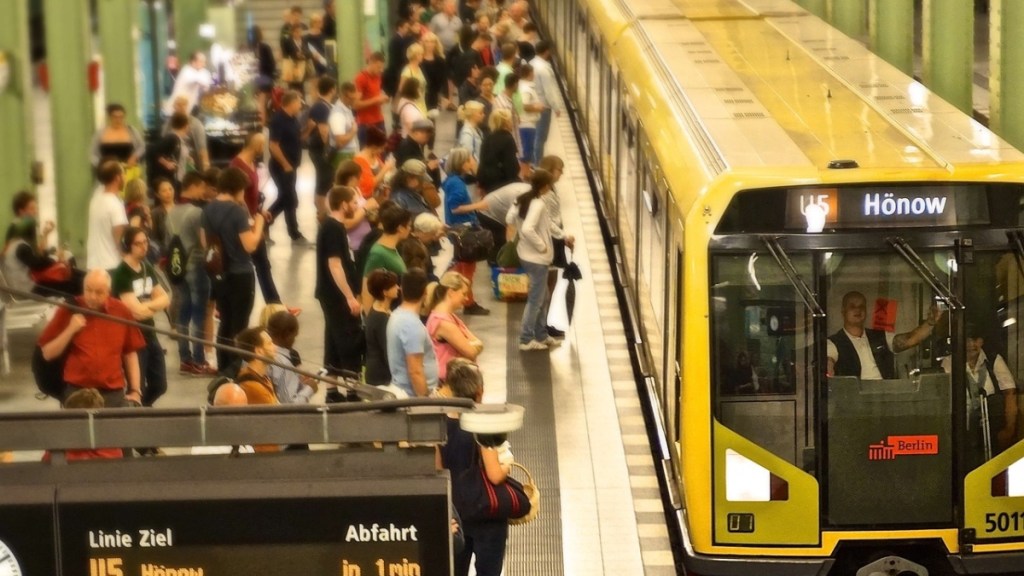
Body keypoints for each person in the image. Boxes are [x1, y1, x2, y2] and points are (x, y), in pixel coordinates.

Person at [439, 359, 510, 576]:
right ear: (479, 392)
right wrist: (506, 465)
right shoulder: (483, 425)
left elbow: (437, 473)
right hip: (486, 516)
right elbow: (495, 475)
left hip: (455, 516)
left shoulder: (437, 424)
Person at [39, 269, 145, 408]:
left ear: (108, 292)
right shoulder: (68, 309)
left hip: (113, 393)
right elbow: (47, 353)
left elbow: (130, 353)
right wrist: (70, 330)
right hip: (77, 393)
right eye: (88, 290)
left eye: (99, 292)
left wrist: (136, 391)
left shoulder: (121, 311)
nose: (92, 297)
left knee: (115, 430)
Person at [203, 167, 267, 373]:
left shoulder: (208, 209)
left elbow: (204, 241)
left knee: (225, 321)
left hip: (219, 274)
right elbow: (249, 245)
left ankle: (223, 368)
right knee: (240, 325)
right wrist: (259, 224)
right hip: (241, 273)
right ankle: (235, 368)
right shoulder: (238, 211)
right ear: (236, 188)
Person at [111, 227, 170, 407]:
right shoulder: (122, 274)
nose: (144, 247)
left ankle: (143, 408)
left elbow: (165, 298)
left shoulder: (147, 267)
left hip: (150, 334)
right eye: (138, 243)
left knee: (160, 385)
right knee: (136, 386)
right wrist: (153, 305)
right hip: (132, 338)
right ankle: (137, 414)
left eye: (145, 242)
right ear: (128, 246)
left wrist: (147, 307)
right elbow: (135, 313)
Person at [317, 186, 365, 401]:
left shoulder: (332, 226)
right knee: (349, 339)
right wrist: (350, 296)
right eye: (354, 202)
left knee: (334, 341)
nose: (356, 206)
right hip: (337, 295)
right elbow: (335, 265)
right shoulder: (334, 228)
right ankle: (352, 390)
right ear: (344, 204)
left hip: (329, 294)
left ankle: (332, 390)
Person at [826, 291, 941, 380]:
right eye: (852, 306)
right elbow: (828, 361)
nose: (858, 310)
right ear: (843, 311)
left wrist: (930, 323)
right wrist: (828, 366)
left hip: (884, 397)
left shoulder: (881, 337)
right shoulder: (833, 343)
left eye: (862, 306)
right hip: (854, 402)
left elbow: (910, 340)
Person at [942, 324, 1019, 455]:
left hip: (992, 429)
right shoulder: (948, 363)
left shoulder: (994, 360)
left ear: (982, 341)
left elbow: (1010, 393)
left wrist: (1009, 429)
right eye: (967, 340)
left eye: (976, 339)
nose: (971, 344)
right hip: (961, 432)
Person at [167, 172, 216, 376]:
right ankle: (198, 360)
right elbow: (205, 242)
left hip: (176, 266)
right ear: (194, 186)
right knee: (199, 314)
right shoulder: (197, 213)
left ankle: (184, 359)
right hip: (195, 266)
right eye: (201, 187)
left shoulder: (171, 212)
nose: (203, 191)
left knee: (183, 313)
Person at [508, 169, 560, 350]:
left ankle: (541, 334)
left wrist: (562, 235)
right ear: (545, 186)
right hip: (537, 258)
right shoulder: (538, 203)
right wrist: (541, 245)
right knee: (536, 300)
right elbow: (528, 229)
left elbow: (509, 218)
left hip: (525, 254)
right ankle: (526, 339)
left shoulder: (521, 198)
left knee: (543, 296)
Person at [2, 193, 82, 297]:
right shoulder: (16, 232)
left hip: (33, 277)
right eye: (32, 208)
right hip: (28, 286)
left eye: (36, 208)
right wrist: (55, 258)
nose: (36, 212)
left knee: (76, 275)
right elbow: (37, 264)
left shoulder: (24, 227)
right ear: (21, 211)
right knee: (77, 284)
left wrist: (45, 235)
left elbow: (36, 254)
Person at [444, 148, 489, 315]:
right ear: (462, 163)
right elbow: (455, 208)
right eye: (470, 160)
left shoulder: (452, 180)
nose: (472, 162)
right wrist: (479, 206)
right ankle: (467, 301)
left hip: (458, 229)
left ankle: (464, 298)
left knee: (460, 266)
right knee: (467, 268)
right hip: (464, 230)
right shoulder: (456, 183)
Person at [387, 267, 439, 397]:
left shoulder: (396, 315)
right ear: (425, 292)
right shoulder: (411, 325)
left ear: (402, 290)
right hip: (414, 398)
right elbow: (415, 371)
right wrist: (425, 402)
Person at [268, 90, 309, 244]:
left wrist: (309, 129)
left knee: (288, 199)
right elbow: (273, 145)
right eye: (299, 101)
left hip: (291, 167)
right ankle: (268, 223)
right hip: (281, 167)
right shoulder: (278, 119)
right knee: (288, 198)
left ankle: (292, 232)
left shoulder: (293, 119)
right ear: (291, 103)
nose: (301, 105)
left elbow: (298, 139)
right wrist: (285, 164)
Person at [427, 272, 484, 381]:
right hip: (449, 382)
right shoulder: (443, 323)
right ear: (451, 292)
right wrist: (473, 345)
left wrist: (474, 345)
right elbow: (471, 352)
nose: (466, 298)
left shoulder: (450, 317)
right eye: (463, 294)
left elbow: (477, 344)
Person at [234, 326, 282, 452]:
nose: (275, 347)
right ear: (259, 351)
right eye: (270, 343)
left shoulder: (262, 378)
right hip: (265, 454)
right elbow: (275, 423)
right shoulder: (253, 387)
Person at [361, 203, 412, 310]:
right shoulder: (378, 253)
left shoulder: (392, 247)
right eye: (408, 225)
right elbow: (367, 288)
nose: (410, 229)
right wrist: (370, 318)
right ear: (400, 228)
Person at [265, 310, 318, 404]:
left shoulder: (258, 352)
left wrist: (298, 380)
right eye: (294, 336)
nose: (294, 341)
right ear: (288, 336)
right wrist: (310, 388)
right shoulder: (283, 364)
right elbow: (291, 405)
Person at [87, 160, 128, 271]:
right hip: (111, 265)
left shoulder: (96, 198)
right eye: (123, 173)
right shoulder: (115, 204)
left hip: (93, 265)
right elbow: (119, 239)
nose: (125, 177)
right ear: (117, 178)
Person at [308, 76, 338, 220]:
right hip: (320, 150)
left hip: (319, 150)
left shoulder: (324, 105)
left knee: (324, 179)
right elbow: (324, 131)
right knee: (324, 181)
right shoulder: (321, 106)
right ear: (332, 90)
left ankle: (321, 211)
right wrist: (330, 149)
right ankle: (322, 213)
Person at [365, 269, 400, 386]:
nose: (398, 288)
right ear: (385, 292)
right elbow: (388, 351)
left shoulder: (377, 310)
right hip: (381, 376)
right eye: (394, 285)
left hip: (376, 371)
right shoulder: (381, 319)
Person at [530, 40, 562, 164]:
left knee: (536, 135)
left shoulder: (532, 63)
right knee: (541, 137)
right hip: (543, 107)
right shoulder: (544, 69)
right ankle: (538, 163)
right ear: (547, 51)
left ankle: (535, 161)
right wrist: (556, 107)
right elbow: (549, 90)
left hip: (534, 104)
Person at [334, 161, 378, 252]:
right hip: (355, 245)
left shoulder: (356, 189)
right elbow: (346, 223)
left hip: (365, 239)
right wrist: (366, 208)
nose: (361, 179)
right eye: (359, 177)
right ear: (351, 178)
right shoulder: (342, 195)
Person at [91, 103, 145, 170]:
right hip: (107, 171)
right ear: (109, 117)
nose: (118, 120)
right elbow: (93, 154)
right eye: (115, 117)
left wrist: (135, 157)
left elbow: (141, 146)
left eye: (121, 117)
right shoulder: (100, 133)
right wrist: (101, 165)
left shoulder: (132, 131)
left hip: (128, 169)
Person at [163, 95, 210, 173]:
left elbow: (202, 150)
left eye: (182, 105)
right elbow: (163, 146)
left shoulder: (196, 125)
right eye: (177, 105)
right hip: (173, 166)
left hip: (192, 167)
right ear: (174, 107)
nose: (179, 108)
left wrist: (206, 170)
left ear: (187, 107)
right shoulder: (168, 125)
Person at [477, 109, 519, 192]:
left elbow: (482, 162)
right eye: (511, 120)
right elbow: (510, 165)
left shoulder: (487, 138)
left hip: (487, 181)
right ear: (506, 122)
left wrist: (481, 183)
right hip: (502, 182)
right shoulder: (508, 139)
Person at [354, 52, 390, 146]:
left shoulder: (378, 77)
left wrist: (382, 99)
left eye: (382, 67)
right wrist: (376, 100)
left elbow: (375, 95)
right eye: (379, 67)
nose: (381, 70)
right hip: (366, 123)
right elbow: (355, 104)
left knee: (382, 149)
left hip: (379, 119)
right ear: (371, 63)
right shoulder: (361, 78)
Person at [151, 112, 191, 194]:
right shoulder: (172, 138)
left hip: (179, 177)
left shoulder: (179, 139)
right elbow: (154, 151)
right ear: (186, 125)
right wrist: (167, 163)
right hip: (173, 178)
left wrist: (188, 158)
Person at [164, 51, 212, 116]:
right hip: (175, 110)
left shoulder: (201, 72)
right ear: (193, 62)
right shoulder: (186, 71)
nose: (204, 64)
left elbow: (206, 85)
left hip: (189, 108)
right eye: (201, 61)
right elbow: (200, 81)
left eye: (204, 62)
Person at [353, 127, 395, 200]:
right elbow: (369, 185)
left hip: (381, 195)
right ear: (373, 147)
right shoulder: (359, 160)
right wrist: (385, 169)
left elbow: (383, 175)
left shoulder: (375, 156)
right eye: (381, 148)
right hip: (368, 199)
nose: (382, 151)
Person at [250, 25, 277, 124]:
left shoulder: (248, 48)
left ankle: (256, 123)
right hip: (265, 79)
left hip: (252, 79)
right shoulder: (265, 47)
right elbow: (272, 64)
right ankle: (262, 124)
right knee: (262, 104)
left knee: (256, 103)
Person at [517, 64, 543, 166]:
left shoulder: (522, 86)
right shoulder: (525, 89)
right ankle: (526, 174)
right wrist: (537, 107)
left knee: (527, 152)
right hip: (527, 124)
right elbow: (523, 105)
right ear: (530, 73)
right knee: (527, 153)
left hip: (527, 123)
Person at [383, 19, 415, 97]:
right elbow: (399, 57)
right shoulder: (397, 40)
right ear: (400, 28)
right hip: (397, 70)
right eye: (406, 27)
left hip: (396, 69)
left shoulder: (397, 39)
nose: (408, 29)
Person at [421, 33, 451, 112]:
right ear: (423, 43)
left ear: (435, 44)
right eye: (427, 42)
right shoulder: (419, 59)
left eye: (432, 42)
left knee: (432, 119)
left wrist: (446, 96)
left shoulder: (440, 60)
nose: (429, 44)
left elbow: (444, 79)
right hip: (420, 93)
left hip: (433, 94)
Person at [399, 42, 429, 115]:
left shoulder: (419, 69)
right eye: (421, 54)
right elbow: (401, 89)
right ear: (416, 55)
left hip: (422, 103)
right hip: (412, 105)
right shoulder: (407, 71)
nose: (423, 56)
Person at [281, 22, 310, 93]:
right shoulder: (288, 41)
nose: (298, 34)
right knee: (292, 87)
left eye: (300, 32)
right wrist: (294, 55)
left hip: (301, 66)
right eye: (296, 32)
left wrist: (303, 54)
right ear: (293, 32)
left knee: (301, 86)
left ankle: (302, 101)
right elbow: (285, 54)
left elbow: (308, 52)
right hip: (291, 66)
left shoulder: (304, 40)